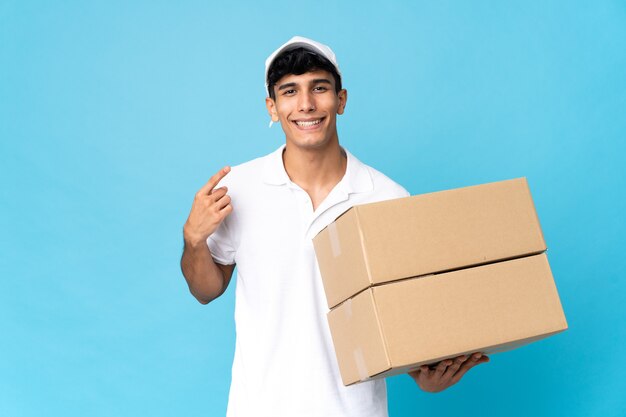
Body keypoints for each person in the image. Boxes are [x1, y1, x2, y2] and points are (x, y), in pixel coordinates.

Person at [181, 36, 489, 417]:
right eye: (289, 91)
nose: (306, 104)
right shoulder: (240, 188)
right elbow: (206, 290)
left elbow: (403, 317)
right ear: (272, 108)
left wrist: (422, 375)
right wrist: (194, 240)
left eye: (319, 88)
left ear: (341, 100)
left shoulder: (388, 198)